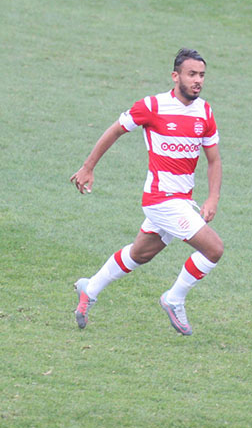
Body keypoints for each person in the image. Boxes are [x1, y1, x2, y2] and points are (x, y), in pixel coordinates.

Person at [70, 48, 223, 336]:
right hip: (161, 200)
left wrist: (213, 197)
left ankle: (90, 288)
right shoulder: (152, 106)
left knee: (140, 254)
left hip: (182, 200)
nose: (197, 80)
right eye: (191, 74)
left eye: (202, 75)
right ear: (175, 76)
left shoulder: (205, 111)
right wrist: (88, 167)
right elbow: (115, 130)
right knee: (214, 249)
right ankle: (174, 298)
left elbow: (214, 159)